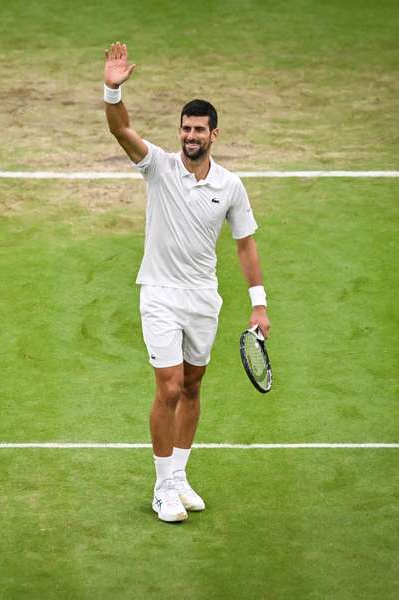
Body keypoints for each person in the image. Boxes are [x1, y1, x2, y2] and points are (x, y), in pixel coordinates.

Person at [103, 42, 271, 523]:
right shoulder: (158, 167)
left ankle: (178, 478)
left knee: (193, 388)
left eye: (198, 129)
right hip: (159, 294)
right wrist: (112, 90)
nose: (190, 135)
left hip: (203, 299)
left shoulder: (231, 187)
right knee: (170, 387)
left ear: (213, 134)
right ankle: (161, 489)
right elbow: (121, 130)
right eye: (185, 128)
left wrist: (258, 304)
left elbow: (245, 244)